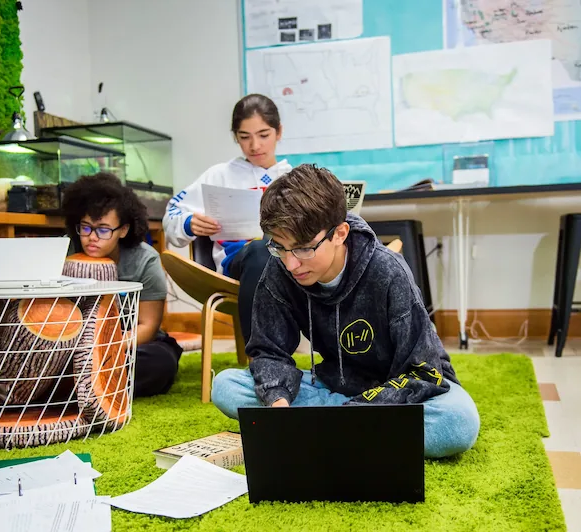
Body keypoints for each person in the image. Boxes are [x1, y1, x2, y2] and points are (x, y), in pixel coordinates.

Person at [211, 164, 480, 458]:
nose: (291, 264)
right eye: (280, 247)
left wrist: (360, 409)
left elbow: (424, 371)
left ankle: (329, 427)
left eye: (303, 249)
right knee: (226, 386)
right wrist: (278, 406)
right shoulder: (280, 266)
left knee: (458, 422)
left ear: (340, 233)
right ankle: (346, 430)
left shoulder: (388, 271)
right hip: (334, 388)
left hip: (398, 396)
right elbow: (269, 351)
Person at [162, 94, 292, 342]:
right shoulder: (220, 175)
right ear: (235, 136)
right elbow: (171, 216)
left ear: (279, 132)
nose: (255, 146)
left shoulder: (293, 177)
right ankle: (261, 358)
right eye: (244, 137)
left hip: (292, 266)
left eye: (263, 135)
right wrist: (190, 223)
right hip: (238, 266)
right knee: (260, 250)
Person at [62, 173, 182, 397]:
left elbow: (147, 327)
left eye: (104, 229)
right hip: (72, 345)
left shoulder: (145, 260)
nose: (92, 237)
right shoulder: (65, 253)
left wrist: (103, 348)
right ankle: (89, 384)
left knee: (160, 363)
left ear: (123, 230)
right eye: (86, 227)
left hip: (127, 344)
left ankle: (75, 387)